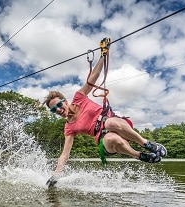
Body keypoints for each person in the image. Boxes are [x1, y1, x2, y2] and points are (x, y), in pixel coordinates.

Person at [45, 38, 166, 188]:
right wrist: (56, 175)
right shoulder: (69, 127)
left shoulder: (79, 98)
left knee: (110, 122)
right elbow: (65, 154)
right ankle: (140, 156)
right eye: (53, 109)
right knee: (111, 140)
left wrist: (104, 54)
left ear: (64, 100)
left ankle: (147, 144)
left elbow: (92, 79)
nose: (58, 109)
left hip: (117, 124)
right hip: (105, 137)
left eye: (58, 104)